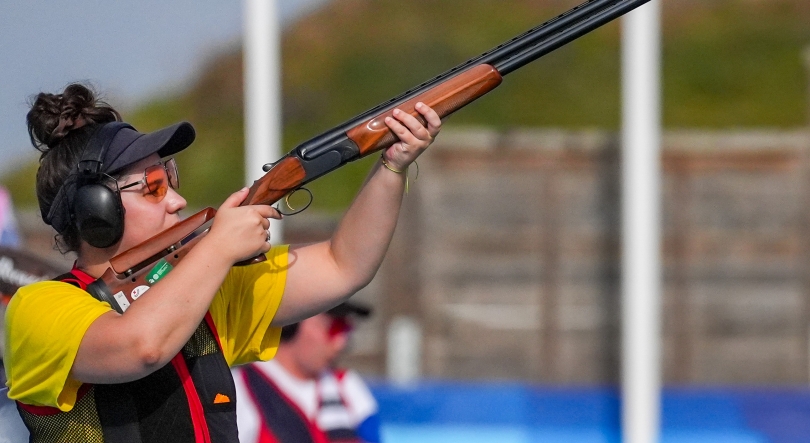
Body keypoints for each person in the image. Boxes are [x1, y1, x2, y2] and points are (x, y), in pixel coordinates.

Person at [3, 83, 440, 442]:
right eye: (153, 187)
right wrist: (217, 249)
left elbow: (343, 265)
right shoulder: (38, 309)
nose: (178, 199)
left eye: (170, 176)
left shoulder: (206, 292)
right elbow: (141, 347)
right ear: (96, 211)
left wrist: (391, 167)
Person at [233, 301, 380, 443]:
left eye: (346, 330)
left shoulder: (348, 386)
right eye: (333, 328)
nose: (340, 343)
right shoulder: (239, 388)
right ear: (292, 323)